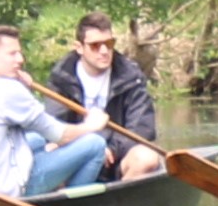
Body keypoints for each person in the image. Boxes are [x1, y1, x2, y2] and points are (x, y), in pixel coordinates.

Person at [0, 25, 116, 199]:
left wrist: (25, 90)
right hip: (5, 194)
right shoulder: (9, 90)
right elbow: (61, 135)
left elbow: (19, 119)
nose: (20, 59)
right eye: (12, 54)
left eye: (19, 53)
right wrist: (91, 125)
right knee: (95, 144)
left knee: (37, 140)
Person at [38, 12, 167, 181]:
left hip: (118, 157)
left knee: (147, 158)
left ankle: (121, 202)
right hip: (77, 155)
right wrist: (91, 147)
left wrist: (111, 149)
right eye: (95, 45)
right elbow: (54, 127)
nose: (104, 51)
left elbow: (141, 129)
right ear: (79, 47)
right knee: (48, 152)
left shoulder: (131, 77)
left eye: (109, 43)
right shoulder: (62, 79)